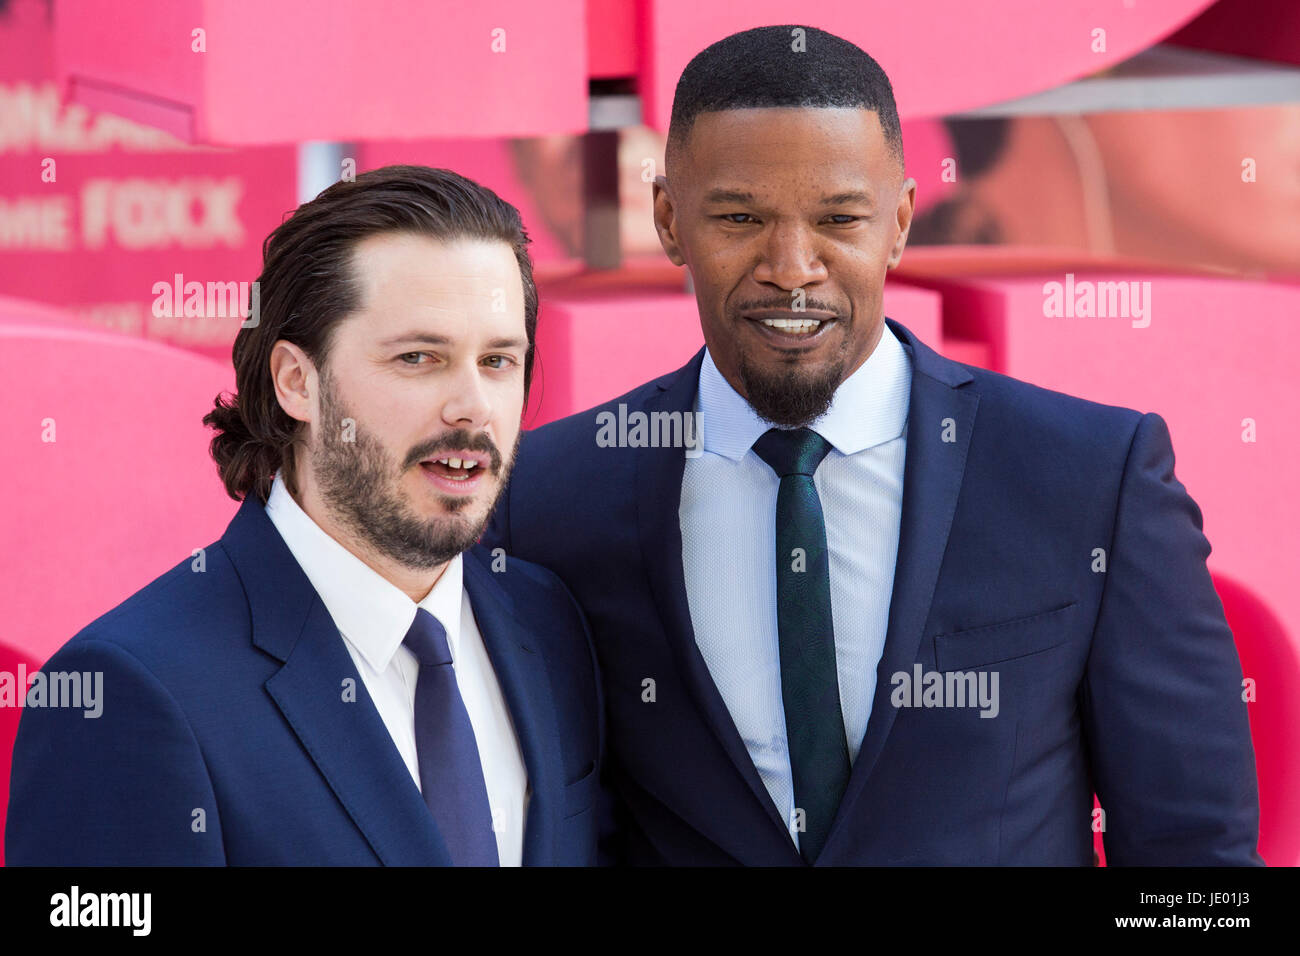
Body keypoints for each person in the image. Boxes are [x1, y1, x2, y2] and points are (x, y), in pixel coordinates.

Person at [482, 26, 1262, 865]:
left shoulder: (1092, 477)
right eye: (740, 217)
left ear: (898, 222)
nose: (791, 267)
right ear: (670, 219)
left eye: (839, 219)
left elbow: (1198, 860)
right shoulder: (549, 499)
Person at [6, 165, 604, 866]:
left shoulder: (550, 624)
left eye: (498, 360)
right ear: (298, 381)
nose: (472, 407)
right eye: (419, 357)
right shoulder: (126, 695)